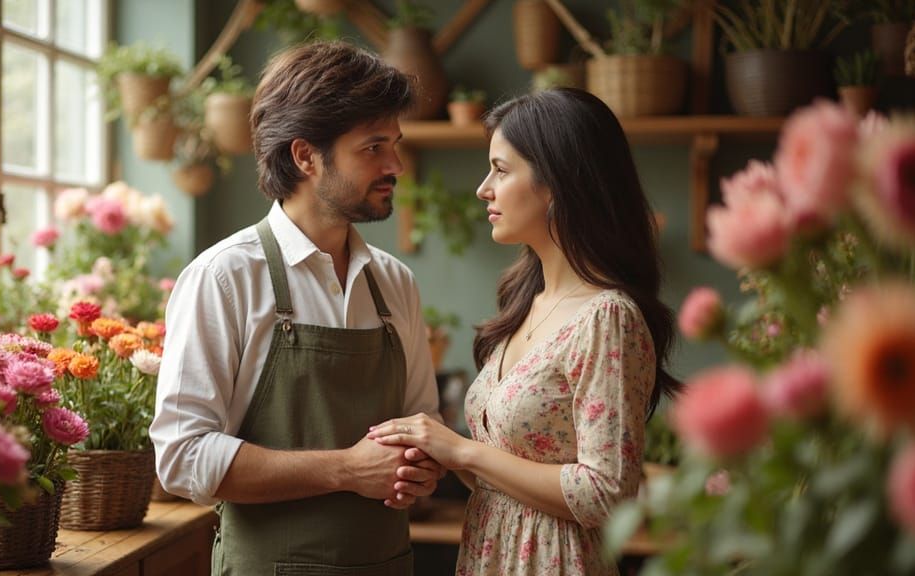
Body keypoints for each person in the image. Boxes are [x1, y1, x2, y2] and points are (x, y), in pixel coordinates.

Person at [150, 41, 445, 576]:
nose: (395, 165)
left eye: (395, 145)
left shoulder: (395, 283)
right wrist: (346, 469)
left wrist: (421, 468)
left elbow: (423, 423)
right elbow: (182, 456)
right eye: (373, 147)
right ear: (305, 156)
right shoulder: (224, 277)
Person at [368, 88, 682, 575]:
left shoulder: (607, 318)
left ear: (557, 182)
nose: (484, 189)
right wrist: (443, 457)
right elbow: (502, 478)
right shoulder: (523, 305)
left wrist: (462, 449)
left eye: (501, 169)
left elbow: (607, 495)